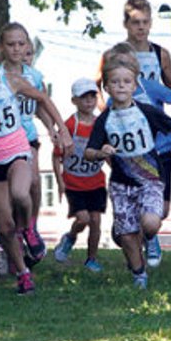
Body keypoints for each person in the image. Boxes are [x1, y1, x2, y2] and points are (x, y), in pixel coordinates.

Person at [0, 30, 71, 295]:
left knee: (21, 192)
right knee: (5, 225)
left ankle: (29, 227)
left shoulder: (12, 81)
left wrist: (61, 128)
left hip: (17, 148)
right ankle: (23, 273)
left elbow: (42, 98)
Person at [85, 54, 171, 289]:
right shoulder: (104, 120)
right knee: (126, 236)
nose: (121, 86)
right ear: (107, 87)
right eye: (115, 82)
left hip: (151, 179)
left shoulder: (146, 111)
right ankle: (139, 273)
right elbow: (88, 152)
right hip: (121, 184)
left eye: (126, 81)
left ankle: (146, 238)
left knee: (152, 223)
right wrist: (101, 152)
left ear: (135, 85)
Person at [0, 22, 61, 261]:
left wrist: (51, 128)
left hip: (28, 137)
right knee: (5, 194)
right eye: (11, 45)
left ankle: (31, 227)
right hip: (2, 141)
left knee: (33, 183)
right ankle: (0, 236)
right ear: (2, 47)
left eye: (21, 44)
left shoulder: (34, 77)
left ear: (27, 46)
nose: (16, 50)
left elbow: (40, 106)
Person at [53, 78, 108, 272]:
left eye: (93, 96)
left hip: (96, 181)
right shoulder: (69, 125)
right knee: (83, 219)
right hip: (74, 183)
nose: (89, 101)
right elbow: (56, 156)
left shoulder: (102, 124)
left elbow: (105, 150)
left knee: (95, 221)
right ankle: (69, 238)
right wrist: (59, 181)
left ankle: (92, 259)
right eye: (84, 97)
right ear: (74, 100)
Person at [120, 0, 171, 92]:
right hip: (125, 106)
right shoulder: (115, 54)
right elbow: (96, 85)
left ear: (151, 23)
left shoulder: (161, 54)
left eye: (145, 22)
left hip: (154, 106)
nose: (141, 27)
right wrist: (103, 106)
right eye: (136, 22)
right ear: (125, 24)